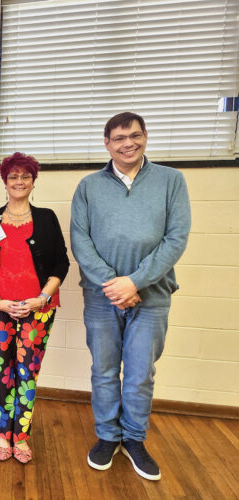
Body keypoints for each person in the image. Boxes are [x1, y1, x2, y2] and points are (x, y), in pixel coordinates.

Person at [71, 112, 191, 481]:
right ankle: (108, 436)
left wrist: (135, 282)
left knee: (140, 374)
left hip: (152, 296)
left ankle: (134, 440)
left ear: (145, 137)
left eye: (135, 135)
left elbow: (176, 239)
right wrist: (114, 284)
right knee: (104, 371)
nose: (128, 144)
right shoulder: (88, 187)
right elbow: (80, 241)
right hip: (101, 297)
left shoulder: (171, 181)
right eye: (120, 138)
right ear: (107, 144)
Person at [0, 152, 69, 463]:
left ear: (34, 181)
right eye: (13, 176)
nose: (19, 181)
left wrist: (42, 298)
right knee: (2, 370)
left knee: (27, 371)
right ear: (5, 181)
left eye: (26, 176)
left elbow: (61, 263)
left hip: (38, 309)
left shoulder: (47, 218)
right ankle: (3, 433)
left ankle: (21, 436)